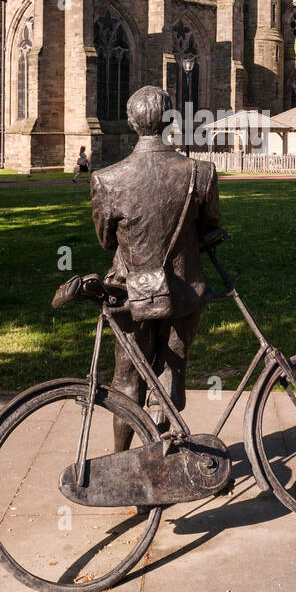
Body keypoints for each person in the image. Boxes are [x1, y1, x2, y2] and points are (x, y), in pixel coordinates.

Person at [89, 86, 222, 452]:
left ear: (131, 123)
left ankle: (122, 459)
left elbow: (106, 240)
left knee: (127, 379)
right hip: (183, 289)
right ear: (169, 120)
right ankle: (164, 452)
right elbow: (211, 226)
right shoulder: (200, 173)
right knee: (171, 371)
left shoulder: (107, 179)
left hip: (131, 291)